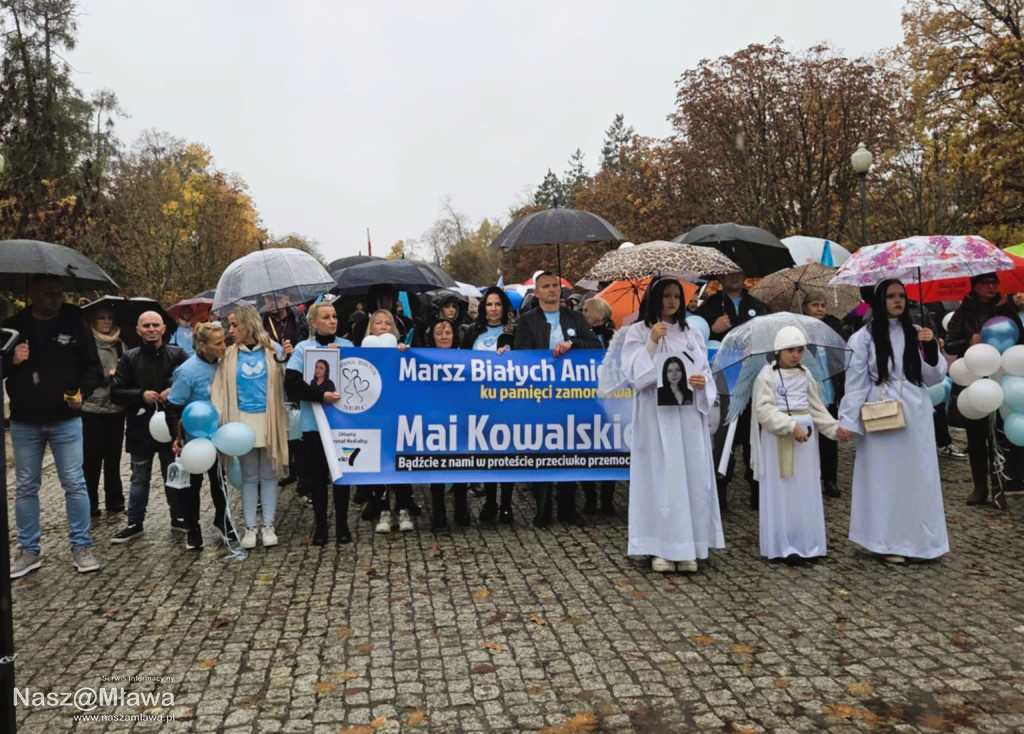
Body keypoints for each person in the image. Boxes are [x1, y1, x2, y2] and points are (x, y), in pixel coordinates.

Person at [837, 279, 949, 563]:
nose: (898, 301)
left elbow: (933, 376)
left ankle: (922, 542)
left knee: (918, 478)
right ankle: (887, 542)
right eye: (891, 296)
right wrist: (848, 420)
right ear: (879, 301)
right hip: (881, 409)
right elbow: (856, 382)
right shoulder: (863, 338)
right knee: (884, 479)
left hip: (915, 411)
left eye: (901, 296)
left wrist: (930, 347)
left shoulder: (917, 332)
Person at [621, 277, 723, 572]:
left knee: (690, 479)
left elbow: (704, 370)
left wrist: (702, 383)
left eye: (677, 296)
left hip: (688, 418)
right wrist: (652, 342)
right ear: (655, 299)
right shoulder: (638, 332)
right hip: (656, 419)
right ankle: (660, 548)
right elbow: (634, 376)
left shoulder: (692, 333)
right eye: (666, 296)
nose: (672, 301)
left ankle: (690, 546)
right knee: (662, 480)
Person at [4, 274, 103, 577]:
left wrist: (82, 393)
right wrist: (10, 361)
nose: (55, 299)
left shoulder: (74, 323)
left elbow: (93, 367)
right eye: (48, 293)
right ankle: (28, 550)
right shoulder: (13, 326)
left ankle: (81, 546)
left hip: (66, 420)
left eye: (59, 293)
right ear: (32, 292)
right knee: (25, 486)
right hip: (25, 420)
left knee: (74, 483)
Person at [514, 272, 602, 527]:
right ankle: (543, 508)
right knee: (543, 450)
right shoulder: (527, 321)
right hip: (540, 397)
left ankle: (567, 507)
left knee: (569, 449)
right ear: (537, 292)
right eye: (546, 286)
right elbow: (521, 355)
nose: (552, 290)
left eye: (555, 286)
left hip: (571, 395)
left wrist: (572, 343)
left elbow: (595, 346)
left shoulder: (575, 317)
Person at [752, 326, 840, 562]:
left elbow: (816, 407)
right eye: (790, 350)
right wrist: (790, 426)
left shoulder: (805, 374)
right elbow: (763, 410)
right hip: (778, 439)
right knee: (783, 490)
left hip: (805, 443)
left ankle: (806, 543)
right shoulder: (766, 376)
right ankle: (784, 545)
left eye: (800, 350)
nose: (795, 355)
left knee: (804, 489)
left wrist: (834, 429)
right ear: (779, 350)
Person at [212, 306, 290, 550]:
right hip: (241, 421)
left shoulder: (273, 350)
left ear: (249, 324)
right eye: (230, 325)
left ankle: (268, 525)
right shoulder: (229, 355)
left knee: (268, 474)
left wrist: (286, 360)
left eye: (235, 325)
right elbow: (219, 388)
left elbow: (286, 382)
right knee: (248, 476)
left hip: (268, 418)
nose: (231, 330)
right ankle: (249, 527)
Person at [945, 272, 1024, 508]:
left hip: (1003, 378)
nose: (991, 286)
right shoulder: (963, 312)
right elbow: (950, 344)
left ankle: (1000, 484)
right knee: (976, 436)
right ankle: (979, 487)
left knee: (999, 434)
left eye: (994, 282)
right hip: (974, 380)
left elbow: (1020, 338)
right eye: (985, 282)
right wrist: (969, 342)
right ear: (975, 286)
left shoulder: (1007, 310)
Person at [110, 311, 188, 546]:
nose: (151, 329)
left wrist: (172, 389)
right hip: (139, 426)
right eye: (146, 326)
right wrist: (140, 394)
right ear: (138, 330)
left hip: (170, 426)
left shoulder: (178, 354)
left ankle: (179, 516)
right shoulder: (128, 358)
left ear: (163, 329)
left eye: (155, 325)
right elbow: (115, 392)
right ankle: (134, 522)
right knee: (139, 478)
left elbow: (190, 379)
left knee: (172, 473)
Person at [697, 271, 770, 512]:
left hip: (753, 381)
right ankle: (720, 491)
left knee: (754, 436)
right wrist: (713, 328)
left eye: (739, 273)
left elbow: (768, 337)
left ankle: (757, 490)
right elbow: (696, 340)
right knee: (723, 437)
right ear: (720, 278)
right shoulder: (709, 306)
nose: (736, 278)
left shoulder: (757, 305)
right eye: (730, 274)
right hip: (723, 384)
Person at [285, 301, 354, 545]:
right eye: (326, 317)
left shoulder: (347, 346)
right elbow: (291, 383)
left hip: (341, 423)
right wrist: (320, 395)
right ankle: (321, 526)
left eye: (334, 316)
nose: (332, 321)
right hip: (313, 424)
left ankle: (343, 525)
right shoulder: (304, 348)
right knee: (317, 477)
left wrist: (339, 357)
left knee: (341, 476)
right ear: (313, 323)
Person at [164, 322, 235, 550]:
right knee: (192, 485)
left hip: (219, 433)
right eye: (218, 343)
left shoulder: (225, 364)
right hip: (194, 438)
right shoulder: (187, 371)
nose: (223, 347)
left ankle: (223, 521)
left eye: (224, 341)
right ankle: (192, 528)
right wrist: (177, 437)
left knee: (219, 481)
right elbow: (173, 406)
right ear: (202, 346)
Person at [460, 287, 517, 523]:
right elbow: (460, 362)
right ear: (483, 308)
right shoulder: (472, 331)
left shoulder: (515, 332)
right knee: (487, 452)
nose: (493, 309)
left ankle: (506, 504)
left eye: (498, 304)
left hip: (507, 400)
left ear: (504, 307)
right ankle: (490, 501)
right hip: (478, 401)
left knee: (507, 452)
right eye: (489, 304)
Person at [362, 309, 419, 533]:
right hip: (375, 416)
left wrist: (405, 354)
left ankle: (403, 508)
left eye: (388, 323)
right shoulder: (362, 352)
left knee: (401, 462)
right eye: (378, 323)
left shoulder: (400, 351)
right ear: (371, 328)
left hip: (397, 415)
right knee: (379, 463)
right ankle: (383, 509)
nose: (383, 326)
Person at [425, 318, 472, 529]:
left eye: (448, 333)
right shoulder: (424, 357)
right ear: (432, 337)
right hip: (435, 419)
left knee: (460, 464)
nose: (444, 337)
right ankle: (439, 511)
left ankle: (461, 508)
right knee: (436, 466)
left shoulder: (464, 357)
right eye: (439, 333)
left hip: (459, 418)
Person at [81, 305, 126, 516]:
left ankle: (115, 500)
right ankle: (90, 503)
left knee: (113, 457)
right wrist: (108, 374)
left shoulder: (121, 344)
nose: (106, 321)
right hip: (92, 407)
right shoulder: (87, 344)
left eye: (109, 317)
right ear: (93, 321)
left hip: (116, 407)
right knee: (91, 459)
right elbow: (85, 372)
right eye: (101, 318)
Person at [801, 293, 846, 498]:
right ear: (805, 307)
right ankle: (809, 478)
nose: (820, 309)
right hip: (808, 391)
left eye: (823, 305)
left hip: (829, 388)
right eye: (815, 305)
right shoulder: (799, 329)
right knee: (809, 437)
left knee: (830, 436)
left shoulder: (832, 328)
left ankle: (830, 479)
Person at [581, 296, 617, 515]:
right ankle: (590, 498)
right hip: (585, 399)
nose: (582, 313)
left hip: (610, 399)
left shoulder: (614, 337)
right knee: (586, 447)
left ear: (600, 315)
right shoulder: (579, 336)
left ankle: (607, 499)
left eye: (587, 310)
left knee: (610, 448)